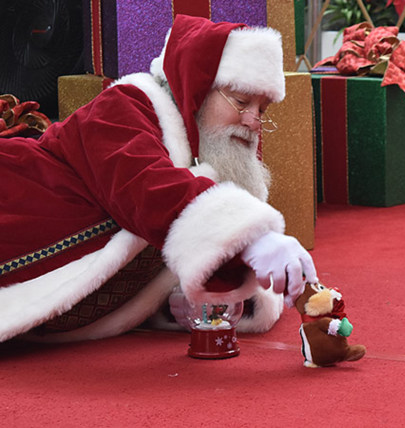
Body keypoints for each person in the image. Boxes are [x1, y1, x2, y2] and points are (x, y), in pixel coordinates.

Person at [0, 15, 318, 343]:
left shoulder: (210, 167)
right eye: (240, 102)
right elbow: (147, 188)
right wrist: (251, 239)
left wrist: (199, 300)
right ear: (197, 88)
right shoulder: (121, 107)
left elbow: (129, 264)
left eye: (262, 111)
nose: (252, 121)